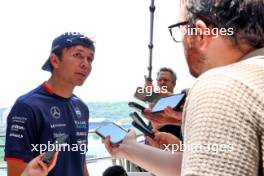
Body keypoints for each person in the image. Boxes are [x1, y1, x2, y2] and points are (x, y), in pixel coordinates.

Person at [104, 0, 264, 175]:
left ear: (200, 33)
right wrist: (129, 148)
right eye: (160, 80)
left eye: (180, 27)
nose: (162, 83)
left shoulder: (216, 87)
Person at [4, 32, 95, 176]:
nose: (86, 64)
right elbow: (15, 173)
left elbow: (80, 163)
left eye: (90, 58)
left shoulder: (81, 108)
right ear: (55, 60)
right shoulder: (26, 107)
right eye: (78, 55)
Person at [145, 67, 183, 141]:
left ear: (174, 84)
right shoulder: (155, 101)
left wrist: (151, 97)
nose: (162, 82)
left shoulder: (179, 102)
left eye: (166, 80)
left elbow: (156, 126)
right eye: (160, 80)